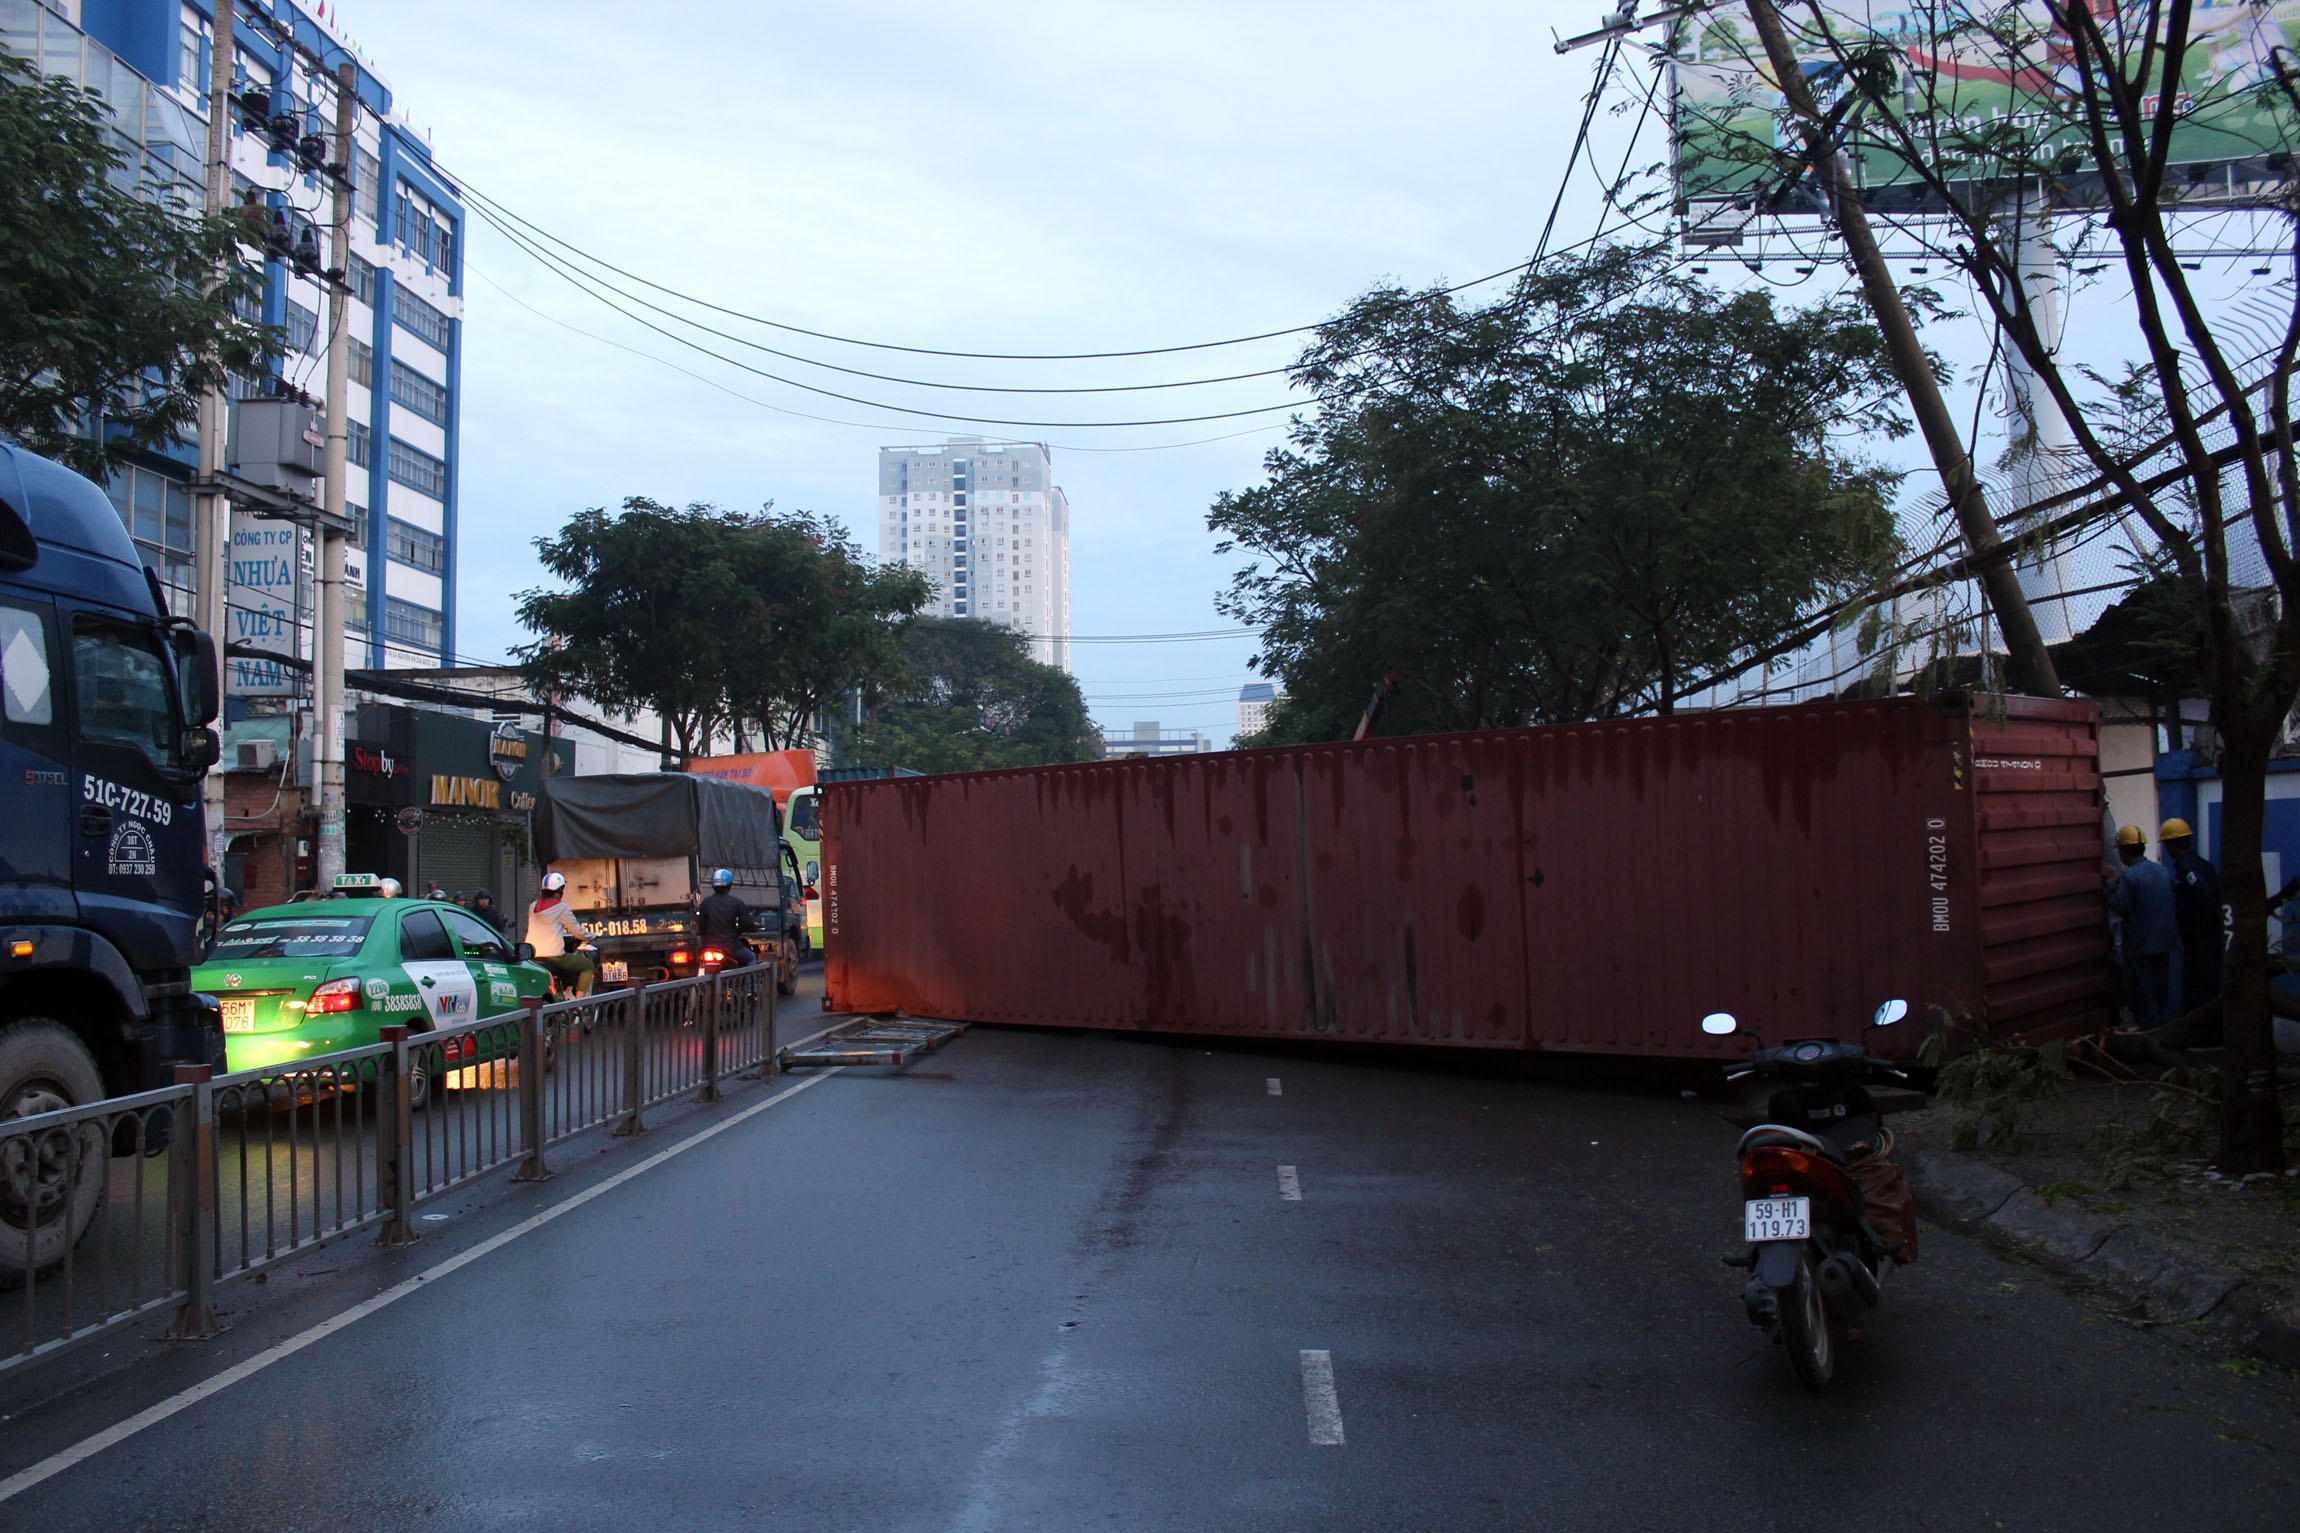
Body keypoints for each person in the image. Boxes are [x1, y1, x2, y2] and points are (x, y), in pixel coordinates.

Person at [2105, 824, 2178, 1030]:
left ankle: (2151, 1034)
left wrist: (2110, 882)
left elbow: (2120, 905)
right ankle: (2166, 1030)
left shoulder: (2130, 877)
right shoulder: (2162, 871)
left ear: (2123, 851)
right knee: (2161, 991)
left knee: (2143, 993)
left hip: (2141, 945)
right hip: (2164, 942)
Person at [2160, 817, 2224, 1039]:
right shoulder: (2203, 864)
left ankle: (2204, 1038)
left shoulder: (2187, 868)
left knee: (2199, 988)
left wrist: (2197, 926)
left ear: (2169, 845)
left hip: (2200, 941)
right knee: (2209, 986)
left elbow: (2202, 892)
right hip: (2208, 939)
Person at [526, 871, 595, 996]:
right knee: (588, 965)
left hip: (533, 954)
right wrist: (592, 936)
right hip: (555, 956)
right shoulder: (562, 908)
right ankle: (579, 1005)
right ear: (559, 891)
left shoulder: (532, 907)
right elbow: (578, 932)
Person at [694, 867, 754, 968]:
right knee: (751, 959)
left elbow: (701, 927)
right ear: (730, 885)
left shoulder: (706, 903)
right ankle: (749, 984)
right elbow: (747, 924)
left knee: (701, 964)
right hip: (731, 947)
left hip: (709, 946)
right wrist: (743, 930)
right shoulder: (737, 903)